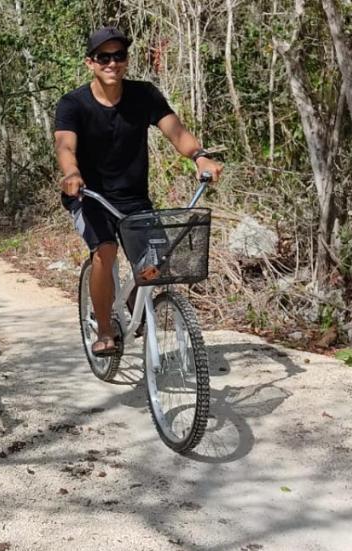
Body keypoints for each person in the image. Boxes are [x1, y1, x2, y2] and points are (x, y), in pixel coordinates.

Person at [54, 26, 224, 357]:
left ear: (126, 60)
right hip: (89, 196)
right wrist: (72, 173)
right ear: (90, 62)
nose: (112, 63)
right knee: (104, 250)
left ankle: (136, 306)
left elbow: (176, 132)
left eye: (119, 56)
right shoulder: (73, 103)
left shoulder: (143, 95)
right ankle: (104, 329)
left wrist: (199, 156)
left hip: (133, 198)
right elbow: (65, 146)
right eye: (104, 57)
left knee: (152, 264)